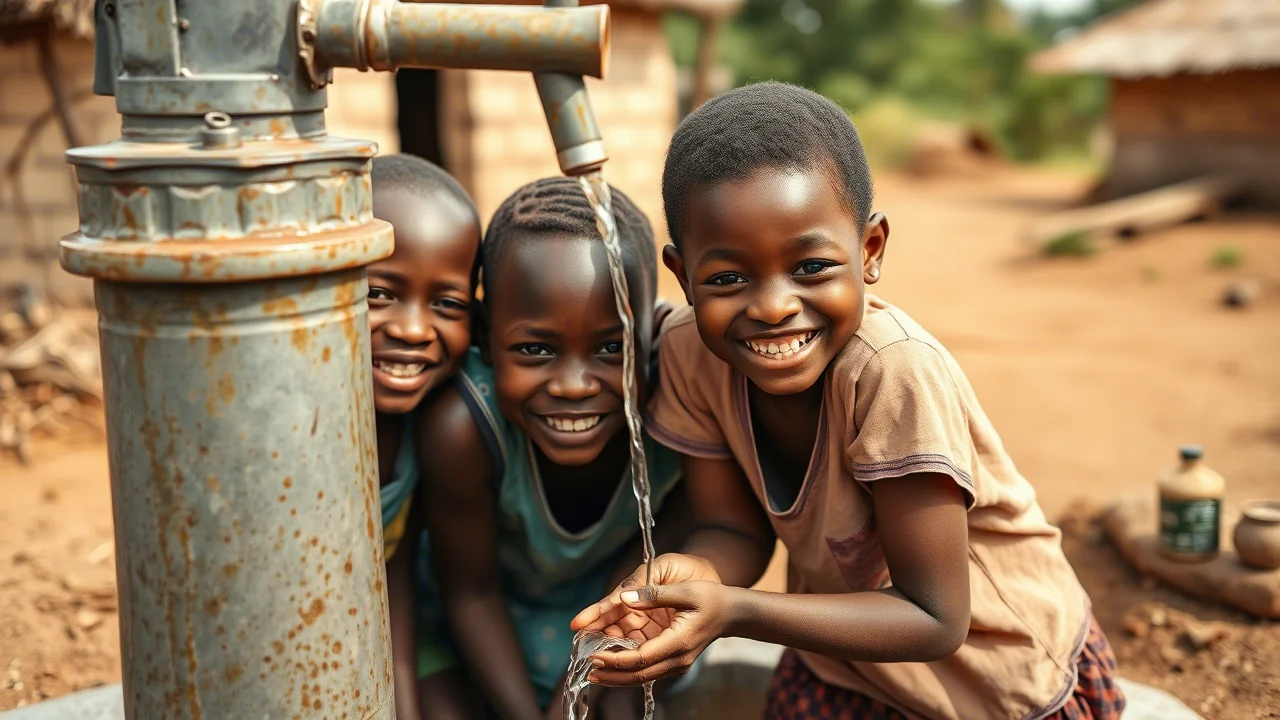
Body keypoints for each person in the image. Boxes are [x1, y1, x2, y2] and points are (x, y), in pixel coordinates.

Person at [572, 82, 1125, 720]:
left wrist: (735, 613)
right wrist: (695, 576)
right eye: (727, 278)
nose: (773, 307)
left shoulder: (893, 373)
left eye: (811, 268)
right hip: (848, 662)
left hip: (997, 679)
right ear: (682, 276)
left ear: (869, 250)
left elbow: (935, 617)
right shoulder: (693, 356)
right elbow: (732, 529)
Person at [413, 177, 690, 720]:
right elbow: (469, 593)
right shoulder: (464, 428)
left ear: (652, 335)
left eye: (613, 348)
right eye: (535, 348)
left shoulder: (681, 416)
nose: (573, 385)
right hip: (475, 629)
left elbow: (645, 587)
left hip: (612, 618)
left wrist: (575, 694)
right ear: (485, 336)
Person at [367, 154, 483, 720]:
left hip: (386, 637)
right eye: (378, 295)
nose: (412, 329)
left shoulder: (424, 428)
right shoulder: (293, 434)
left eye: (446, 305)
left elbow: (395, 581)